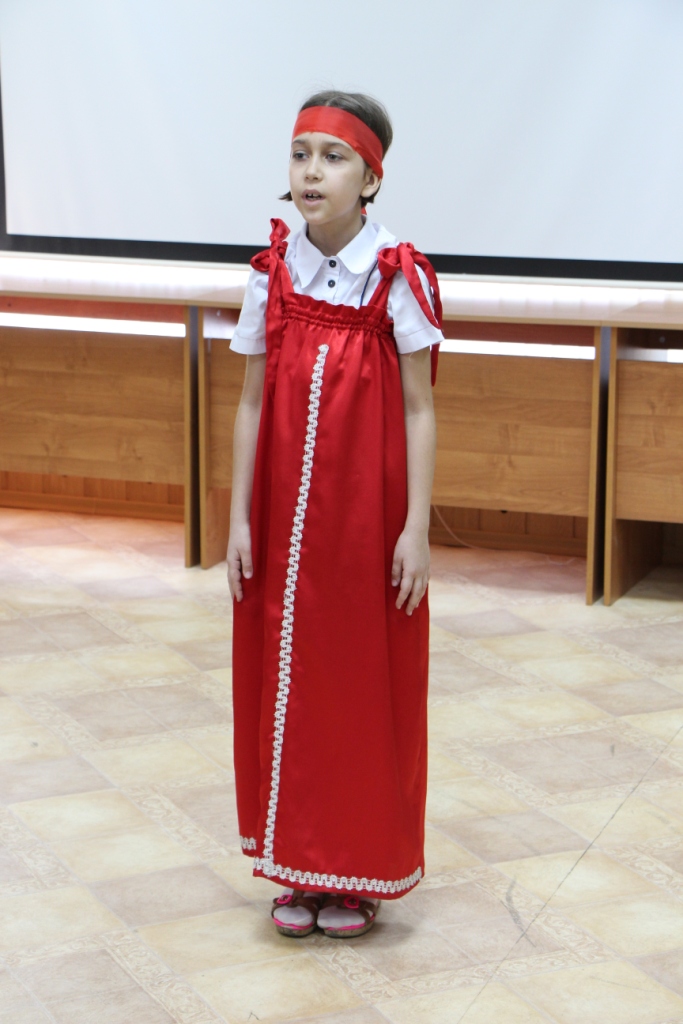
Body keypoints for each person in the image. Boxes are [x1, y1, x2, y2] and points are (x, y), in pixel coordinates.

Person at [227, 90, 443, 939]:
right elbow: (250, 401)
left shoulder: (395, 275)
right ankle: (295, 863)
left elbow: (420, 408)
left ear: (371, 179)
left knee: (357, 682)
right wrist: (239, 520)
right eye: (300, 154)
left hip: (365, 521)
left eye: (333, 156)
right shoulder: (269, 273)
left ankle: (355, 869)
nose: (311, 172)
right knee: (284, 677)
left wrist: (415, 528)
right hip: (282, 521)